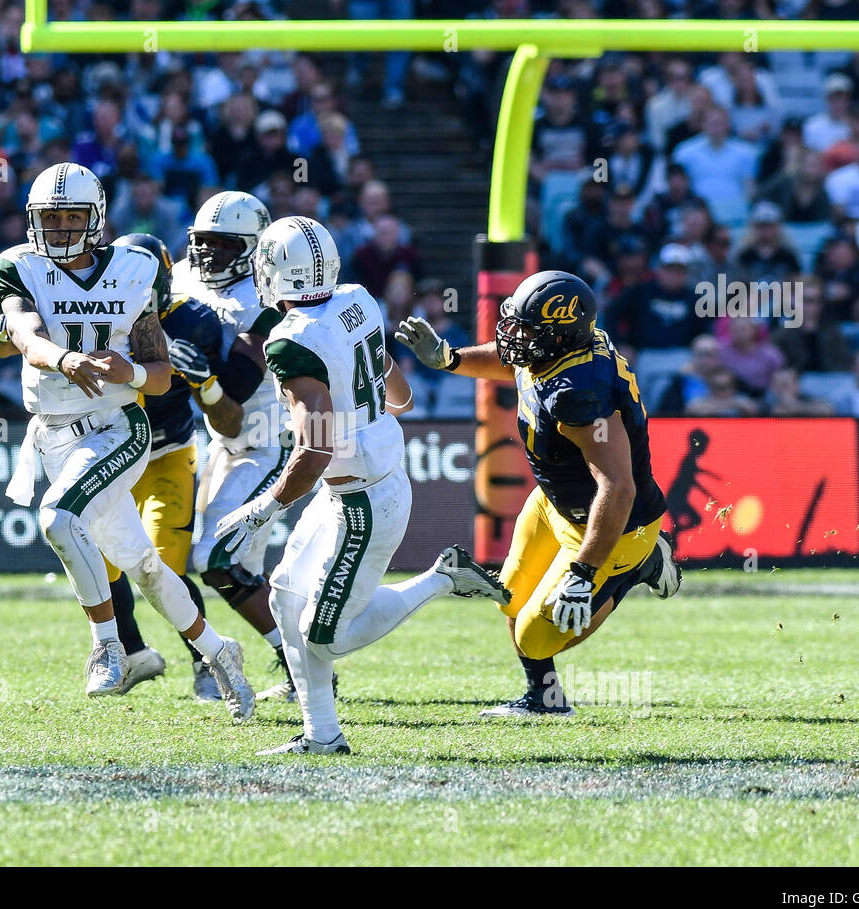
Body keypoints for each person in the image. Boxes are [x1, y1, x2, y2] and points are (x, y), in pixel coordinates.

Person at [220, 216, 508, 755]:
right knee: (284, 597)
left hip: (363, 501)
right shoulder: (355, 299)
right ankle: (321, 735)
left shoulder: (290, 341)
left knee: (326, 633)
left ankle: (442, 580)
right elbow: (392, 386)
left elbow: (316, 446)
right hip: (351, 486)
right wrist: (386, 400)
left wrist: (264, 508)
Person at [0, 162, 254, 717]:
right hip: (53, 434)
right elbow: (26, 335)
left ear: (98, 218)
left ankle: (108, 647)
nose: (58, 230)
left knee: (57, 518)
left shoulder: (134, 269)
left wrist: (122, 371)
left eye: (71, 217)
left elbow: (157, 375)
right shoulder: (19, 266)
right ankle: (219, 652)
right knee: (148, 569)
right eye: (49, 219)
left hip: (116, 428)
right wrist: (63, 357)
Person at [397, 270, 681, 718]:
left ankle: (640, 566)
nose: (513, 337)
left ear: (559, 337)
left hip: (613, 524)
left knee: (537, 635)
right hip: (556, 503)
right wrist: (449, 358)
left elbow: (618, 486)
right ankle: (544, 700)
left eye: (527, 330)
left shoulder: (578, 393)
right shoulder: (556, 348)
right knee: (509, 596)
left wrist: (584, 574)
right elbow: (513, 360)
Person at [97, 232, 261, 696]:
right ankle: (133, 655)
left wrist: (204, 381)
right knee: (102, 566)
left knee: (161, 570)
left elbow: (229, 418)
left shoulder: (194, 320)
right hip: (112, 455)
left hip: (167, 452)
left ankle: (209, 663)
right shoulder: (97, 316)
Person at [173, 190, 299, 701]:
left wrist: (202, 377)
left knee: (218, 559)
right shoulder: (180, 276)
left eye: (224, 245)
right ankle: (226, 665)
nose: (209, 255)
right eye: (203, 243)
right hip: (218, 443)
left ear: (251, 248)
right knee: (195, 560)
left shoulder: (268, 292)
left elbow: (241, 384)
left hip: (267, 444)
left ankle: (299, 664)